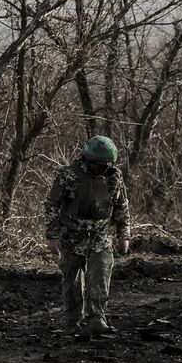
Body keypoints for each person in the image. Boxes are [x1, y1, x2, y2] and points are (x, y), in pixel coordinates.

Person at [43, 136, 131, 339]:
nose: (102, 168)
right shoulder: (68, 175)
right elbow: (52, 205)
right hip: (72, 236)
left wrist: (123, 235)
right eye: (98, 164)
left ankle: (97, 319)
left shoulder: (114, 176)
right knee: (72, 281)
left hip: (100, 236)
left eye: (106, 164)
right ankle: (73, 320)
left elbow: (121, 207)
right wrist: (52, 235)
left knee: (100, 277)